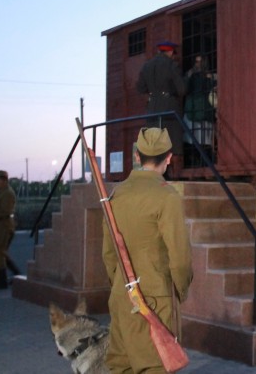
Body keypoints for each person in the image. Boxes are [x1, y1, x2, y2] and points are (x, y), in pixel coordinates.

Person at [102, 127, 193, 372]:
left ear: (137, 156)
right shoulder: (167, 196)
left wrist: (119, 286)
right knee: (154, 366)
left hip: (121, 295)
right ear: (169, 158)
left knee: (121, 366)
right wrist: (180, 290)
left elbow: (109, 254)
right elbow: (180, 258)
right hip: (156, 297)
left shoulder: (114, 195)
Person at [136, 40, 187, 174]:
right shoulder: (171, 65)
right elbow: (182, 89)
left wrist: (153, 96)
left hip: (152, 108)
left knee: (154, 142)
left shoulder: (146, 66)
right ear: (170, 51)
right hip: (169, 107)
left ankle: (154, 173)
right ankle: (175, 175)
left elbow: (140, 88)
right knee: (173, 143)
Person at [183, 55, 217, 166]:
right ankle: (196, 163)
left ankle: (205, 164)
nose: (199, 64)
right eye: (197, 62)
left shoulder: (209, 75)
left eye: (201, 61)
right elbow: (184, 88)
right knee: (193, 141)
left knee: (205, 141)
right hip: (192, 110)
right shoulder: (190, 75)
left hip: (204, 111)